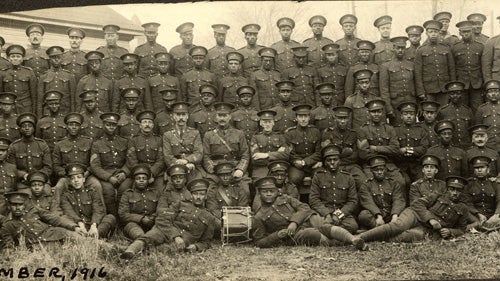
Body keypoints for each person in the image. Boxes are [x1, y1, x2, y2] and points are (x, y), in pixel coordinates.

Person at [357, 176, 472, 243]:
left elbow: (461, 229)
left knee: (407, 236)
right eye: (452, 189)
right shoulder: (437, 195)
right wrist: (431, 219)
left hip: (427, 229)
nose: (454, 193)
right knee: (398, 226)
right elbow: (417, 204)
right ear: (447, 189)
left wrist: (451, 232)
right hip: (415, 214)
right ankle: (359, 238)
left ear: (462, 192)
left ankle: (370, 237)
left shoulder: (464, 208)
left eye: (458, 190)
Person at [120, 178, 214, 259]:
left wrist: (196, 247)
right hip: (166, 231)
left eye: (201, 194)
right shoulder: (180, 204)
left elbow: (206, 241)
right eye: (195, 194)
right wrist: (175, 236)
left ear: (205, 196)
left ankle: (123, 250)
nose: (198, 197)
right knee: (150, 237)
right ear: (191, 194)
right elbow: (163, 219)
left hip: (182, 242)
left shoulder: (209, 217)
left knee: (166, 250)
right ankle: (130, 250)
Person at [0, 190, 81, 249]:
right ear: (9, 206)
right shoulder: (7, 225)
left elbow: (54, 219)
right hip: (38, 247)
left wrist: (74, 226)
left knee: (82, 240)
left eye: (20, 204)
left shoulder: (33, 210)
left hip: (57, 234)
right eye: (14, 205)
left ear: (24, 205)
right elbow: (8, 248)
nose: (17, 208)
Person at [309, 144, 359, 234]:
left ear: (339, 161)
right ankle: (338, 234)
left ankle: (330, 233)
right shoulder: (318, 176)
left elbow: (353, 201)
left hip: (342, 213)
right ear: (325, 162)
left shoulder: (348, 177)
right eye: (329, 160)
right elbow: (313, 200)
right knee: (316, 223)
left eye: (335, 159)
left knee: (353, 226)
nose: (332, 162)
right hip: (324, 212)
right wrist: (326, 214)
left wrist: (338, 214)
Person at [52, 112, 102, 200]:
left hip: (86, 176)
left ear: (80, 127)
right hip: (67, 177)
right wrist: (68, 175)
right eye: (71, 125)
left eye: (76, 125)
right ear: (67, 127)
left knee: (96, 185)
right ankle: (56, 212)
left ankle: (101, 212)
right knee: (59, 187)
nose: (74, 127)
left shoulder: (89, 142)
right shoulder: (59, 144)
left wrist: (86, 173)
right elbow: (56, 165)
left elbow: (94, 162)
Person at [60, 163, 116, 239]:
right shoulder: (66, 195)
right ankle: (92, 238)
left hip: (93, 224)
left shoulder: (92, 192)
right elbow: (69, 212)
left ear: (84, 179)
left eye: (79, 177)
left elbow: (98, 210)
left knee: (110, 218)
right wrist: (80, 224)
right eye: (73, 178)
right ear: (70, 181)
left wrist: (93, 225)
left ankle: (94, 235)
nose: (76, 180)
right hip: (77, 226)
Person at [358, 99, 404, 186]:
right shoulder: (363, 130)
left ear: (382, 112)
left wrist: (375, 148)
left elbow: (396, 149)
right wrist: (386, 150)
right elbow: (363, 154)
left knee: (400, 182)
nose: (376, 114)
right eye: (373, 112)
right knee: (369, 184)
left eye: (378, 111)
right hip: (370, 166)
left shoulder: (389, 129)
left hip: (388, 165)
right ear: (368, 113)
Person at [90, 112, 129, 215]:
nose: (111, 127)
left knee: (124, 189)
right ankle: (112, 218)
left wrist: (124, 173)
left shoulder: (124, 141)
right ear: (103, 125)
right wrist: (108, 177)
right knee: (108, 191)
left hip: (122, 173)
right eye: (108, 124)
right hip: (106, 174)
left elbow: (130, 161)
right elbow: (95, 166)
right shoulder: (97, 144)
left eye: (113, 125)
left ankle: (123, 219)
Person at [321, 106, 366, 187]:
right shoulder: (328, 133)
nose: (342, 121)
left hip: (352, 166)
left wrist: (339, 156)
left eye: (345, 118)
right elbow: (327, 156)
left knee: (363, 182)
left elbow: (355, 155)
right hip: (334, 167)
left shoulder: (353, 134)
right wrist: (346, 153)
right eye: (340, 118)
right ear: (335, 118)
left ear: (348, 119)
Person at [202, 102, 250, 180]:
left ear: (230, 117)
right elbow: (205, 156)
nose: (222, 118)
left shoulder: (239, 133)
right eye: (219, 115)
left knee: (244, 187)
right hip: (216, 169)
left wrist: (240, 169)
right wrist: (213, 170)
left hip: (234, 168)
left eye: (225, 116)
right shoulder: (208, 135)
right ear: (216, 117)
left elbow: (245, 154)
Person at [415, 20, 456, 106]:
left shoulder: (445, 48)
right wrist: (421, 91)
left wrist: (452, 88)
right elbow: (418, 73)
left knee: (444, 112)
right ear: (426, 33)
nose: (433, 34)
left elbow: (451, 69)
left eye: (436, 32)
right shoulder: (421, 50)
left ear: (439, 33)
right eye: (431, 32)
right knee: (430, 112)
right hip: (429, 89)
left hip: (444, 88)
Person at [285, 104, 321, 201]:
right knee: (293, 178)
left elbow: (318, 152)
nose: (303, 119)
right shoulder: (290, 133)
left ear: (309, 117)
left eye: (306, 116)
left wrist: (306, 162)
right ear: (296, 118)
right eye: (300, 116)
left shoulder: (315, 132)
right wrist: (298, 162)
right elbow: (291, 154)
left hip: (313, 164)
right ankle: (294, 203)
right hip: (297, 165)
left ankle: (317, 203)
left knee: (321, 176)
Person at [358, 155, 405, 229]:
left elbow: (398, 199)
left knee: (405, 213)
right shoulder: (366, 185)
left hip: (391, 214)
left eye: (381, 169)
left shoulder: (393, 183)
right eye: (376, 170)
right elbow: (368, 202)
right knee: (363, 215)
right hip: (376, 216)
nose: (379, 172)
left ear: (385, 169)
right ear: (371, 170)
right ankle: (387, 229)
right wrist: (378, 215)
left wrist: (395, 215)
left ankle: (380, 230)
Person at [123, 110, 164, 195]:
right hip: (138, 173)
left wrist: (151, 174)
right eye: (144, 122)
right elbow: (132, 160)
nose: (147, 124)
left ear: (153, 125)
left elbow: (160, 160)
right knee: (123, 189)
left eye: (150, 122)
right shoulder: (133, 140)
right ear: (140, 125)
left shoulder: (159, 139)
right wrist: (143, 175)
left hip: (155, 173)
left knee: (160, 191)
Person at [7, 113, 52, 189]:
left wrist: (37, 176)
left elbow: (48, 167)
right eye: (24, 126)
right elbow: (11, 169)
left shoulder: (42, 145)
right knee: (22, 196)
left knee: (46, 192)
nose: (27, 128)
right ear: (20, 129)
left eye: (30, 126)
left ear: (34, 129)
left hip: (42, 181)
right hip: (22, 182)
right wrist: (23, 175)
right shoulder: (14, 146)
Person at [379, 36, 418, 124]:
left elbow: (416, 85)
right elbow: (384, 90)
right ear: (393, 48)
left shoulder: (411, 64)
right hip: (395, 105)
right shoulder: (386, 66)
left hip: (410, 102)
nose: (400, 50)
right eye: (398, 48)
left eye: (403, 48)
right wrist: (388, 108)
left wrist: (418, 105)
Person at [118, 164, 161, 240]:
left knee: (158, 232)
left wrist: (152, 218)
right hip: (133, 224)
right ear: (134, 181)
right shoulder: (128, 194)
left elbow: (160, 209)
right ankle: (143, 241)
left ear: (148, 181)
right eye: (138, 178)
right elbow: (123, 214)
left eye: (144, 178)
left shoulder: (155, 193)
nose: (141, 180)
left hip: (152, 223)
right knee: (138, 234)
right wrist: (141, 218)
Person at [163, 102, 203, 181]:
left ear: (187, 116)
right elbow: (167, 156)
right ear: (173, 116)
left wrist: (187, 160)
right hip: (174, 167)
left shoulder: (195, 133)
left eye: (183, 114)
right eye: (178, 114)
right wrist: (180, 164)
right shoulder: (167, 135)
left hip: (192, 166)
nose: (181, 117)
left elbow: (198, 153)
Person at [394, 102, 429, 189]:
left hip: (417, 164)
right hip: (401, 165)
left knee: (421, 182)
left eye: (411, 114)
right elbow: (393, 148)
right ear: (401, 116)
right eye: (405, 114)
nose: (409, 116)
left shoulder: (421, 130)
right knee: (403, 182)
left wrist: (408, 150)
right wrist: (400, 151)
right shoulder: (395, 130)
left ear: (415, 116)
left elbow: (424, 148)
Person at [206, 162, 250, 232]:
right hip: (221, 219)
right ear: (218, 176)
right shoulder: (213, 191)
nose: (225, 178)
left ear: (232, 174)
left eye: (228, 175)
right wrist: (227, 218)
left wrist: (235, 218)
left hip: (238, 218)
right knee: (213, 222)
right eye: (222, 175)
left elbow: (243, 206)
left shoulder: (239, 189)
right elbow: (213, 209)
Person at [452, 21, 484, 112]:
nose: (466, 34)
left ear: (472, 31)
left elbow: (483, 66)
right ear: (460, 33)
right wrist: (456, 84)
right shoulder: (455, 47)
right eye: (464, 32)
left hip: (477, 83)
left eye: (468, 31)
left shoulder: (480, 46)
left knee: (477, 109)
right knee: (462, 109)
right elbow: (452, 67)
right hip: (461, 84)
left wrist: (483, 82)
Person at [249, 110, 289, 180]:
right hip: (261, 168)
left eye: (270, 122)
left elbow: (286, 155)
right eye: (265, 122)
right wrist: (277, 154)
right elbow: (255, 159)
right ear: (261, 123)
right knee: (259, 182)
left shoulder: (280, 136)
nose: (267, 124)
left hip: (278, 167)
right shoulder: (255, 137)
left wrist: (266, 155)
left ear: (273, 123)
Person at [465, 156, 500, 229]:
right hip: (476, 215)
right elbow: (467, 202)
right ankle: (480, 225)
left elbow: (499, 200)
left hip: (492, 215)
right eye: (476, 168)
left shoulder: (494, 183)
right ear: (474, 170)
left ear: (488, 169)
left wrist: (496, 215)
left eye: (482, 167)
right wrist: (478, 214)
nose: (479, 170)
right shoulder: (469, 184)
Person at [0, 45, 37, 114]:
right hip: (9, 108)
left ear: (22, 59)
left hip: (26, 108)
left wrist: (34, 112)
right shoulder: (3, 73)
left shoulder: (29, 72)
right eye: (13, 56)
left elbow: (34, 95)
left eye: (18, 56)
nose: (15, 58)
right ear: (8, 58)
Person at [436, 81, 473, 149]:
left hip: (466, 146)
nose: (455, 96)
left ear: (462, 94)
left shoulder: (468, 110)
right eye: (452, 93)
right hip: (450, 147)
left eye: (458, 93)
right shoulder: (443, 111)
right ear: (449, 95)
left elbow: (472, 130)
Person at [475, 79, 500, 151]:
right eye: (490, 91)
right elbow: (478, 129)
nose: (493, 94)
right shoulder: (481, 109)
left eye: (496, 91)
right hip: (488, 146)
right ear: (486, 94)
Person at [0, 137, 16, 217]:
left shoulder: (12, 167)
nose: (0, 153)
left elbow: (15, 187)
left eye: (3, 151)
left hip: (11, 202)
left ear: (7, 152)